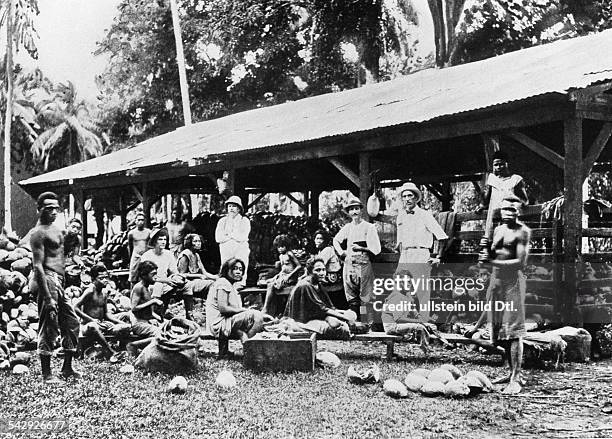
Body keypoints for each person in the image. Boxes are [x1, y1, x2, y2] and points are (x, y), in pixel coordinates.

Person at [466, 197, 531, 394]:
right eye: (505, 209)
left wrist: (491, 261)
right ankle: (510, 370)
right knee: (497, 331)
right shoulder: (497, 230)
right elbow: (492, 254)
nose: (508, 213)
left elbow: (520, 262)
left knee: (513, 331)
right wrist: (485, 249)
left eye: (512, 209)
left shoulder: (523, 232)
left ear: (518, 211)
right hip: (497, 281)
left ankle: (516, 377)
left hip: (513, 282)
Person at [30, 192, 81, 383]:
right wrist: (48, 297)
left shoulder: (58, 230)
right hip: (47, 279)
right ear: (39, 210)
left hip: (59, 279)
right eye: (48, 208)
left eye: (55, 208)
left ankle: (67, 368)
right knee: (49, 324)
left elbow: (63, 257)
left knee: (72, 321)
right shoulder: (38, 233)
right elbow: (37, 266)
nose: (53, 211)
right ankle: (47, 374)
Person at [394, 182, 448, 322]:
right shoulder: (400, 216)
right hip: (405, 255)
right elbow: (400, 241)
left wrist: (438, 257)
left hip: (420, 254)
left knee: (422, 292)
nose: (407, 199)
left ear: (416, 197)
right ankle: (402, 322)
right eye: (404, 196)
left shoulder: (424, 215)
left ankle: (424, 324)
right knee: (399, 287)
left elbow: (442, 237)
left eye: (410, 195)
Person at [205, 258, 269, 358]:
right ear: (227, 270)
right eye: (235, 269)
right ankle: (250, 350)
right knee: (257, 316)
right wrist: (246, 310)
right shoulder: (223, 282)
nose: (239, 272)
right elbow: (223, 309)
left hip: (225, 322)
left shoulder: (230, 285)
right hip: (219, 324)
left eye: (240, 269)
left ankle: (236, 348)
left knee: (259, 317)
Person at [333, 195, 381, 324]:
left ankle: (367, 323)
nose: (354, 212)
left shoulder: (369, 227)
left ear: (361, 210)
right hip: (349, 264)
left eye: (356, 209)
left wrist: (362, 248)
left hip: (363, 263)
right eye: (351, 209)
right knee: (351, 296)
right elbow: (336, 240)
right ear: (348, 212)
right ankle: (355, 323)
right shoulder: (348, 227)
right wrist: (341, 253)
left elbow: (376, 249)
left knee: (365, 296)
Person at [284, 257, 353, 339]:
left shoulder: (318, 284)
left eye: (323, 270)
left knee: (350, 315)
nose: (322, 273)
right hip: (303, 322)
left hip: (318, 317)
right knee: (342, 328)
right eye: (318, 270)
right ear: (310, 271)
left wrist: (345, 314)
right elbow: (322, 309)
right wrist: (346, 318)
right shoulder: (305, 285)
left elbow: (329, 307)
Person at [476, 151, 529, 251]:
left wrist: (514, 203)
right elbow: (486, 200)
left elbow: (525, 200)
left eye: (501, 164)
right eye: (496, 165)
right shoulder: (492, 179)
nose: (498, 167)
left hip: (510, 217)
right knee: (494, 244)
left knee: (509, 243)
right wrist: (481, 206)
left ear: (507, 163)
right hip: (495, 217)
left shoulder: (515, 179)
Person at [140, 228, 195, 320]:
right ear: (154, 241)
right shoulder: (146, 256)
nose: (163, 242)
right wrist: (167, 280)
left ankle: (189, 315)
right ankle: (154, 315)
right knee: (158, 286)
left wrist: (178, 278)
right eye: (160, 239)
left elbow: (174, 271)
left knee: (187, 285)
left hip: (166, 283)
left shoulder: (168, 254)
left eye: (165, 239)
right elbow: (147, 277)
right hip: (151, 285)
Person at [74, 264, 126, 360]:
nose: (105, 280)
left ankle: (123, 349)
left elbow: (106, 314)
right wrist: (91, 319)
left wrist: (120, 323)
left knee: (124, 326)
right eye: (101, 278)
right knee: (93, 326)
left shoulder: (104, 293)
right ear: (94, 279)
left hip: (102, 323)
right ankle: (111, 351)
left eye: (106, 277)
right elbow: (75, 308)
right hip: (87, 325)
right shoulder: (89, 291)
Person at [126, 260, 163, 356]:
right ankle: (134, 345)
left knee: (168, 327)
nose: (155, 277)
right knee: (159, 334)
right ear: (144, 275)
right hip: (138, 323)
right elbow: (134, 308)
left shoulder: (148, 288)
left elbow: (146, 310)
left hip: (145, 321)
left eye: (156, 274)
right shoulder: (139, 287)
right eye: (153, 274)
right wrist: (153, 301)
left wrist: (156, 317)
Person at [261, 234, 302, 317]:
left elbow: (299, 266)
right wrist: (275, 276)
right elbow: (283, 269)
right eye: (278, 247)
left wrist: (289, 276)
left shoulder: (289, 254)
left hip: (290, 278)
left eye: (282, 246)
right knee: (266, 282)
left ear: (286, 246)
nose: (280, 249)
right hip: (283, 275)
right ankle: (272, 309)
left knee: (271, 285)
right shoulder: (281, 256)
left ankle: (266, 308)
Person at [215, 196, 251, 288]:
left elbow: (243, 237)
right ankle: (225, 282)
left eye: (234, 206)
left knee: (240, 264)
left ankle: (240, 282)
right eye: (229, 206)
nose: (231, 208)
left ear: (239, 208)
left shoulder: (244, 221)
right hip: (226, 250)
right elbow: (218, 238)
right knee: (226, 266)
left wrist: (228, 235)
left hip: (240, 249)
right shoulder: (222, 221)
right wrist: (232, 236)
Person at [178, 233, 218, 298]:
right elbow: (181, 275)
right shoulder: (185, 254)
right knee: (211, 284)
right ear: (189, 243)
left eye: (199, 241)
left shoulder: (196, 255)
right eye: (195, 241)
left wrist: (216, 277)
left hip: (196, 281)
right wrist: (199, 275)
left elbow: (204, 272)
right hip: (186, 283)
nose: (198, 243)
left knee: (217, 282)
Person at [313, 229, 345, 309]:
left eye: (321, 239)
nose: (318, 241)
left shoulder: (327, 250)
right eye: (317, 238)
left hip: (331, 279)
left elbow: (318, 265)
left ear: (325, 240)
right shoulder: (322, 250)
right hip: (330, 277)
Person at [128, 212, 151, 288]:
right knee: (133, 277)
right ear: (135, 221)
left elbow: (151, 245)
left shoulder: (148, 232)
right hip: (136, 256)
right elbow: (130, 247)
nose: (141, 222)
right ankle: (132, 294)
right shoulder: (131, 233)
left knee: (147, 276)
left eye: (142, 220)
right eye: (139, 220)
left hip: (146, 256)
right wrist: (131, 257)